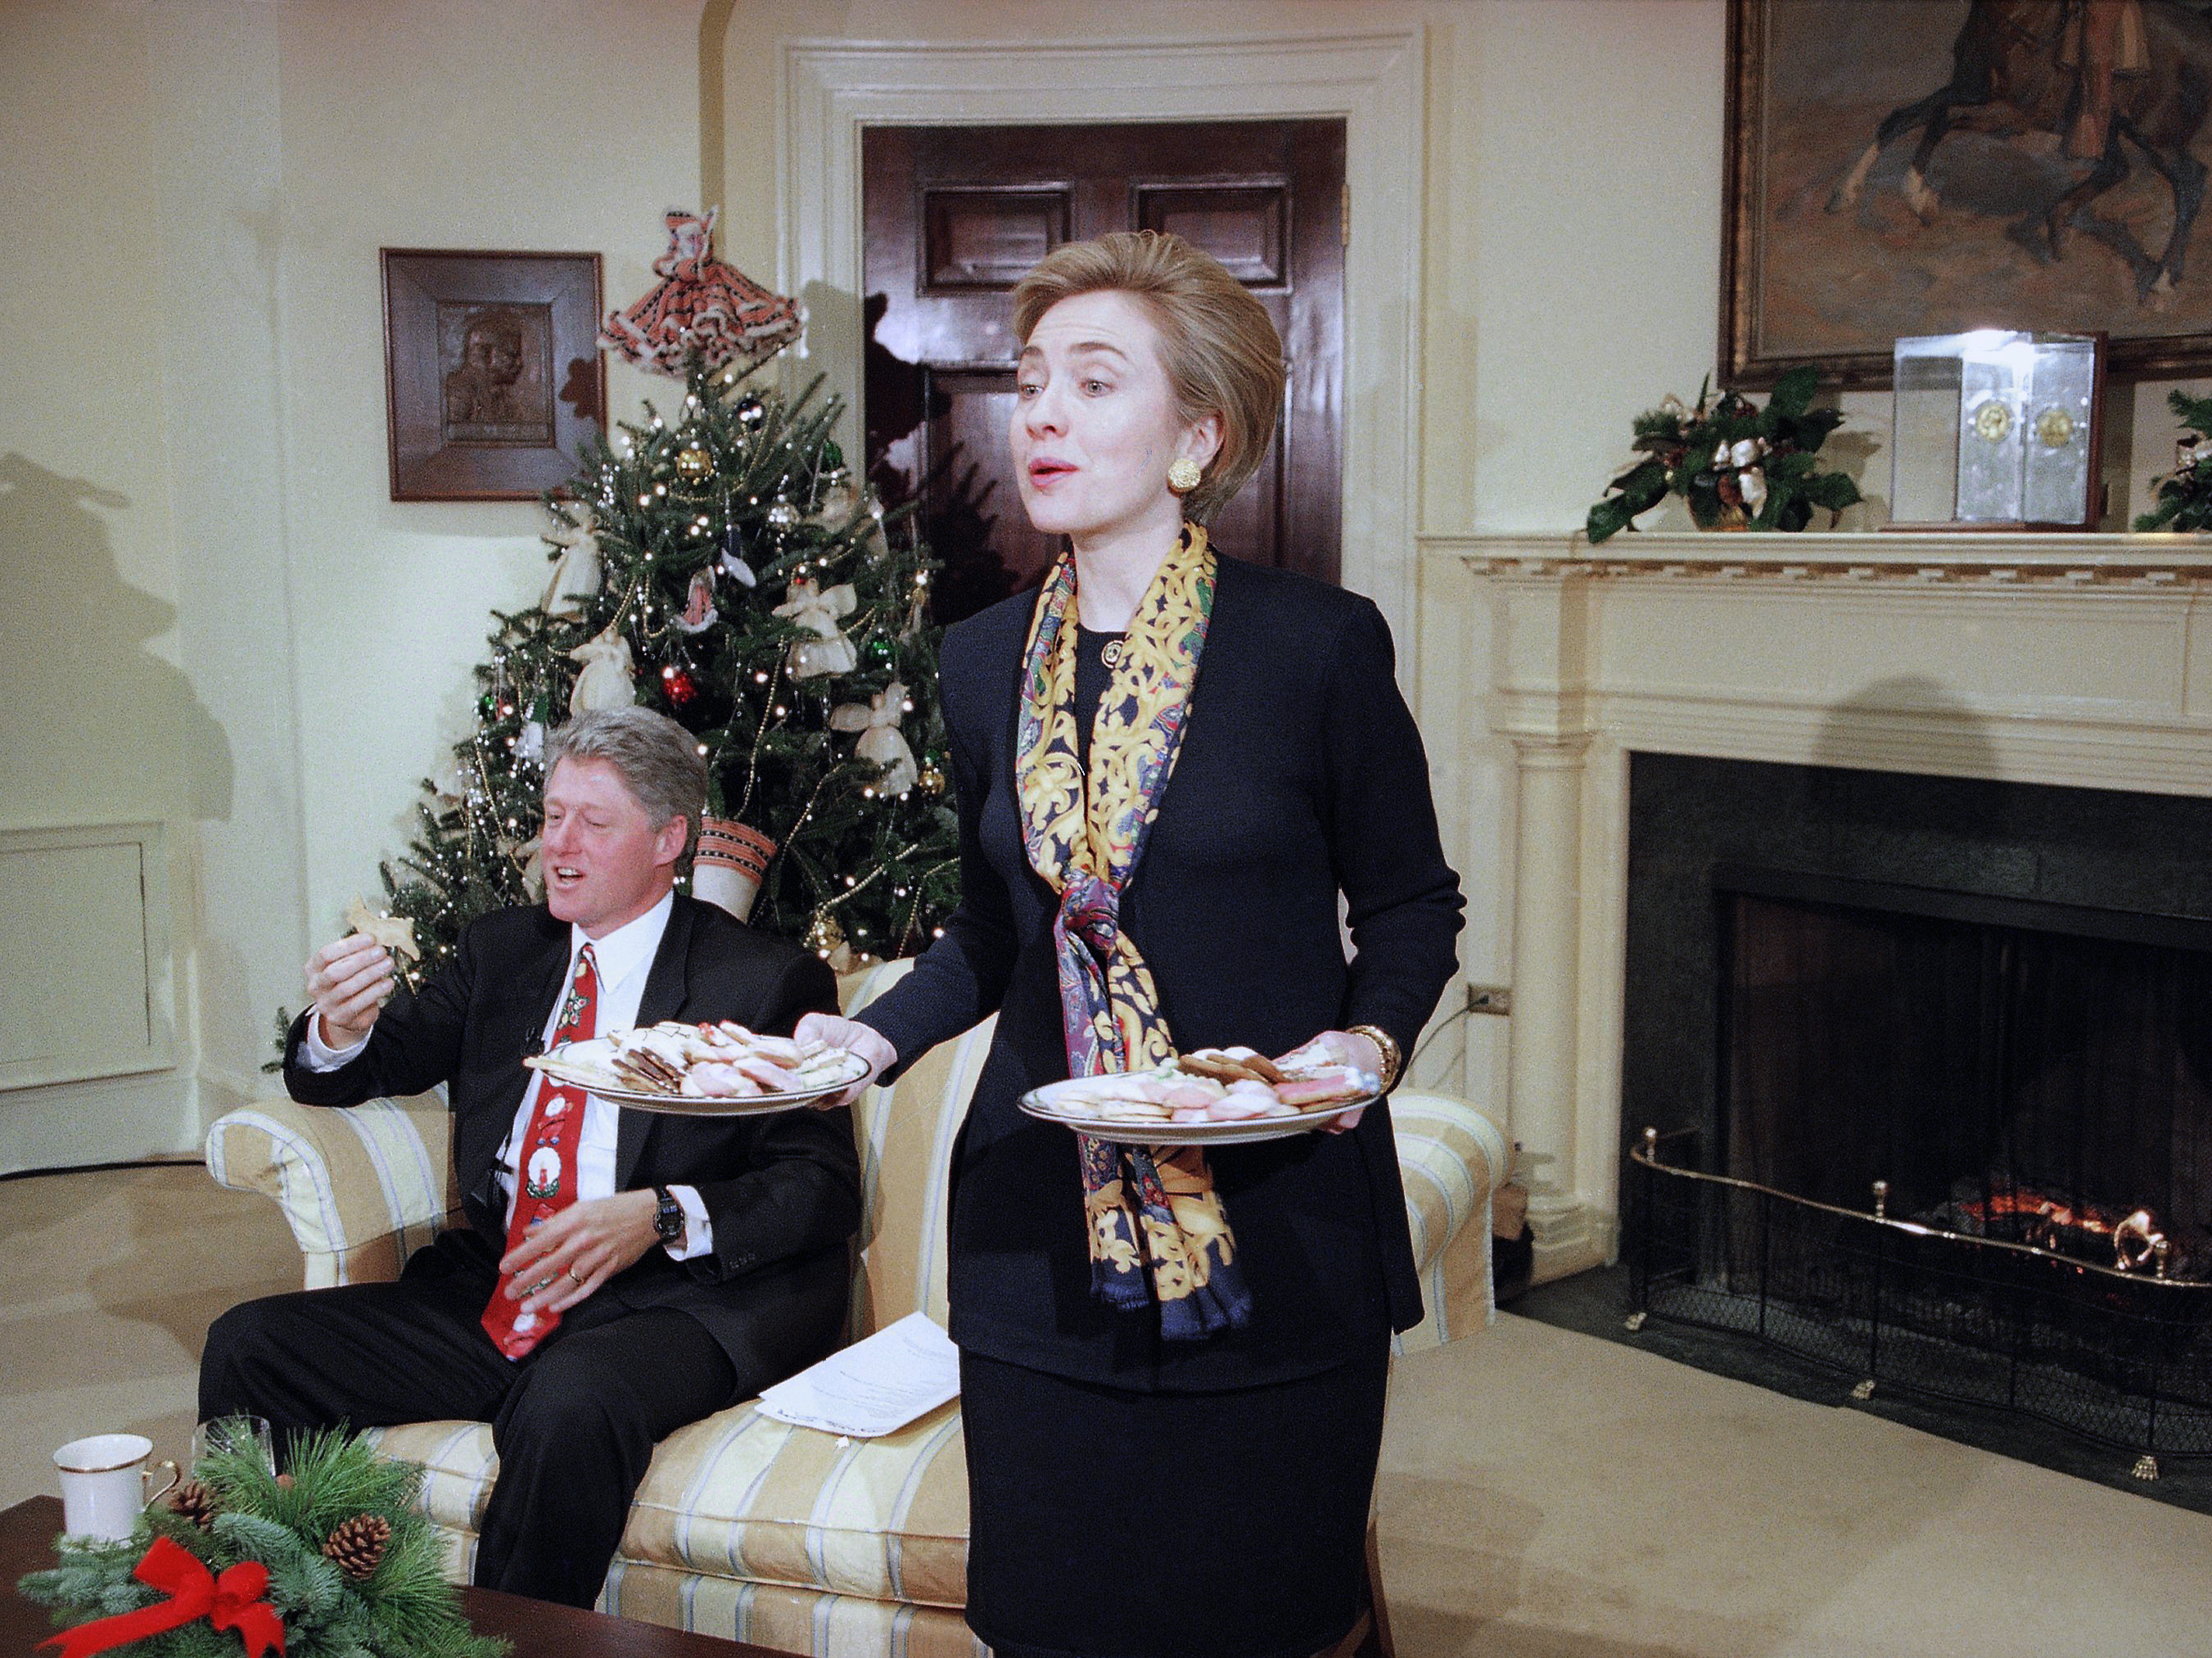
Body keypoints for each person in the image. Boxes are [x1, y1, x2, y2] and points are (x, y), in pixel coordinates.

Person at [801, 231, 1465, 1658]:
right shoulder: (977, 664)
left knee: (1265, 1621)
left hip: (1281, 1227)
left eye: (1094, 384)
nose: (1039, 413)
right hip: (1043, 1236)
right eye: (1032, 381)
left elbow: (1412, 906)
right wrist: (872, 1034)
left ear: (1196, 437)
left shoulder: (1315, 649)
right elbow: (994, 929)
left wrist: (1365, 1041)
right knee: (1052, 1620)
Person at [200, 707, 857, 1609]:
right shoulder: (503, 951)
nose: (560, 844)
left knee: (569, 1402)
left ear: (669, 838)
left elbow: (817, 1189)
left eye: (594, 821)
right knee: (252, 1346)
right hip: (508, 1280)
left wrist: (659, 1214)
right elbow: (366, 1067)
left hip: (669, 1298)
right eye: (552, 816)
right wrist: (339, 1028)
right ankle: (263, 1610)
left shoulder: (761, 979)